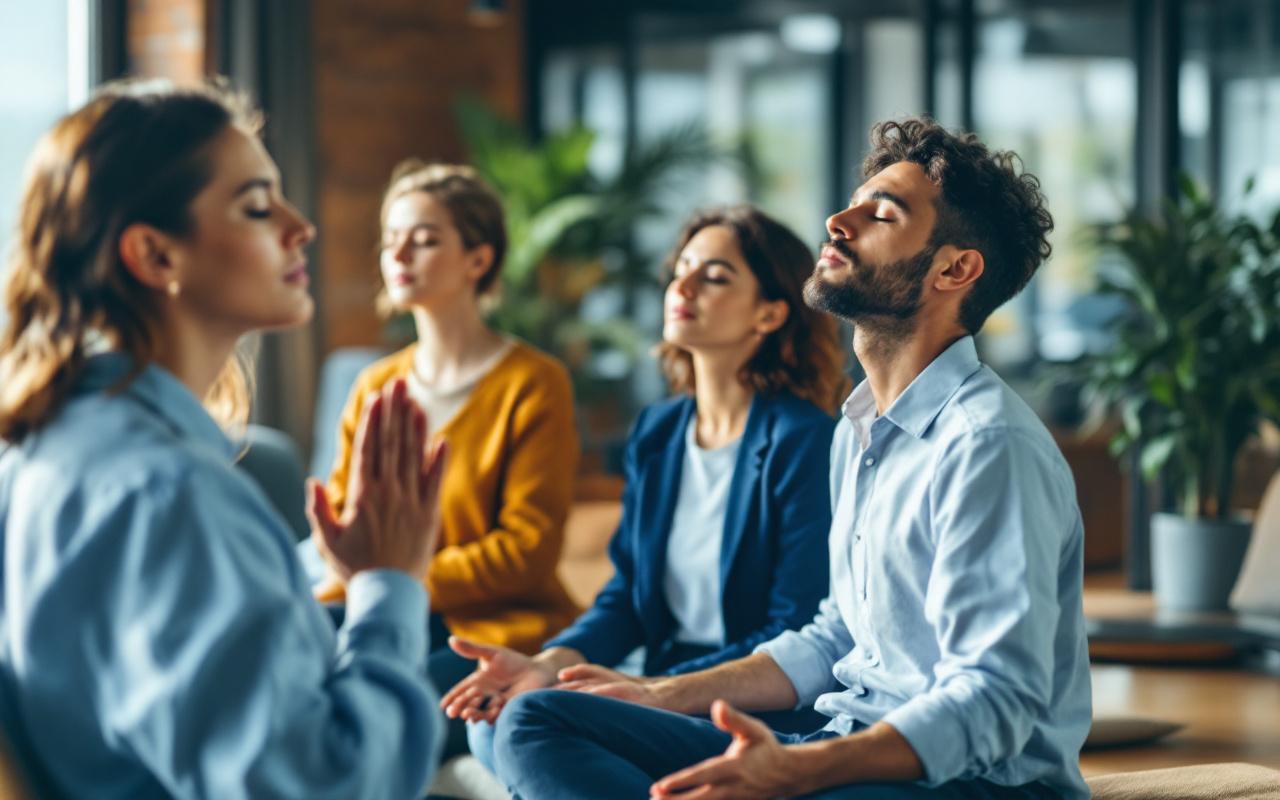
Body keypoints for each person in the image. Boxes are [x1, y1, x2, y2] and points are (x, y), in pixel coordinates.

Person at [489, 117, 1093, 800]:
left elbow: (997, 700)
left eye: (881, 214)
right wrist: (656, 694)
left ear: (954, 269)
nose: (838, 221)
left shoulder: (986, 444)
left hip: (969, 784)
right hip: (842, 744)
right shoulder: (858, 429)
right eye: (853, 203)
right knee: (538, 719)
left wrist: (802, 770)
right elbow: (835, 636)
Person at [0, 80, 446, 799]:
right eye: (257, 207)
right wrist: (388, 586)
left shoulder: (48, 446)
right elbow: (327, 785)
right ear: (155, 255)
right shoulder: (170, 493)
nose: (301, 227)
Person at [442, 206, 848, 770]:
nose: (683, 286)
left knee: (529, 725)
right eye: (681, 269)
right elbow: (628, 598)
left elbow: (795, 623)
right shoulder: (659, 431)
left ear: (771, 313)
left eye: (715, 276)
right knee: (496, 723)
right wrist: (551, 663)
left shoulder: (804, 439)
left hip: (749, 694)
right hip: (658, 672)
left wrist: (651, 689)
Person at [301, 160, 580, 759]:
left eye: (424, 240)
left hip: (489, 630)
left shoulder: (534, 383)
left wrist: (400, 578)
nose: (400, 255)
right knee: (283, 665)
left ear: (478, 260)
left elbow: (527, 551)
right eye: (391, 240)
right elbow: (347, 528)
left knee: (377, 710)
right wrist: (376, 581)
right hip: (378, 604)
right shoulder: (374, 385)